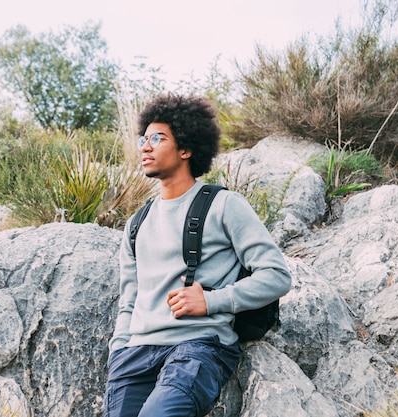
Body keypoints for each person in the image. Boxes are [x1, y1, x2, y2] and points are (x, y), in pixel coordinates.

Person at [103, 93, 291, 417]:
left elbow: (276, 276)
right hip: (133, 354)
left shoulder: (224, 205)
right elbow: (129, 298)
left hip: (198, 347)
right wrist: (118, 349)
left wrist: (213, 301)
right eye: (143, 139)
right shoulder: (137, 223)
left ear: (186, 149)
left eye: (157, 138)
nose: (145, 147)